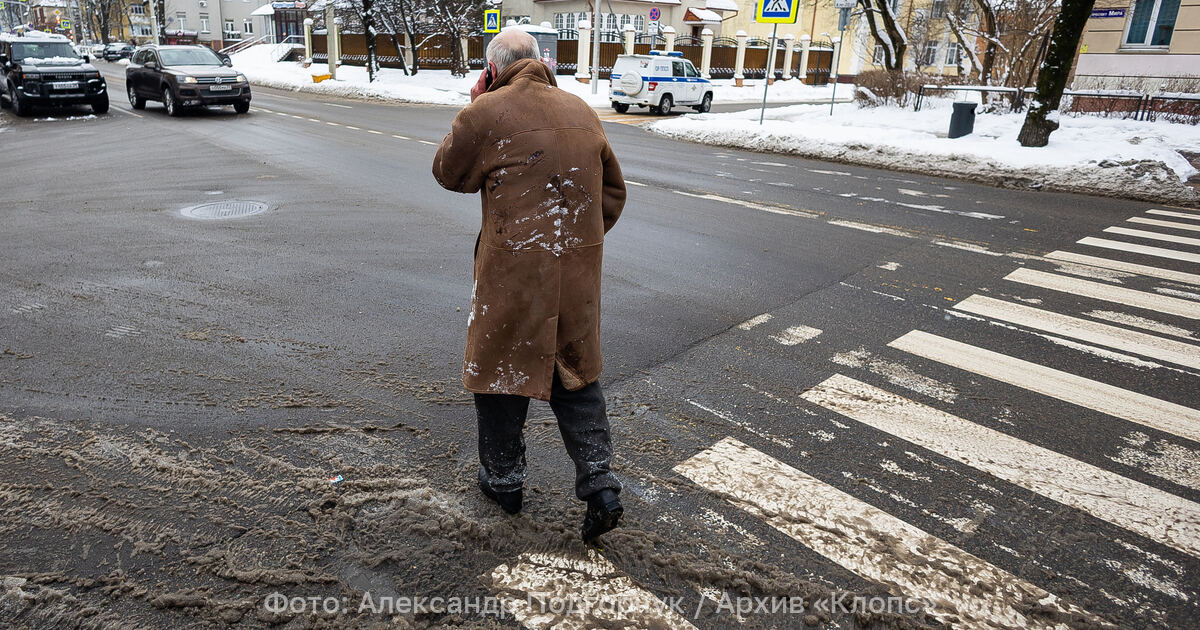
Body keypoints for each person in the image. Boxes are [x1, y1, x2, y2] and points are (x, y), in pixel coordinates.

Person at [432, 28, 626, 542]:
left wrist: (476, 103)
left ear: (492, 69)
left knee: (500, 375)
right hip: (576, 277)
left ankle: (504, 483)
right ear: (541, 62)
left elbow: (449, 172)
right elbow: (612, 195)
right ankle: (601, 484)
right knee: (576, 376)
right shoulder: (582, 111)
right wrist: (571, 245)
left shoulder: (486, 112)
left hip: (512, 278)